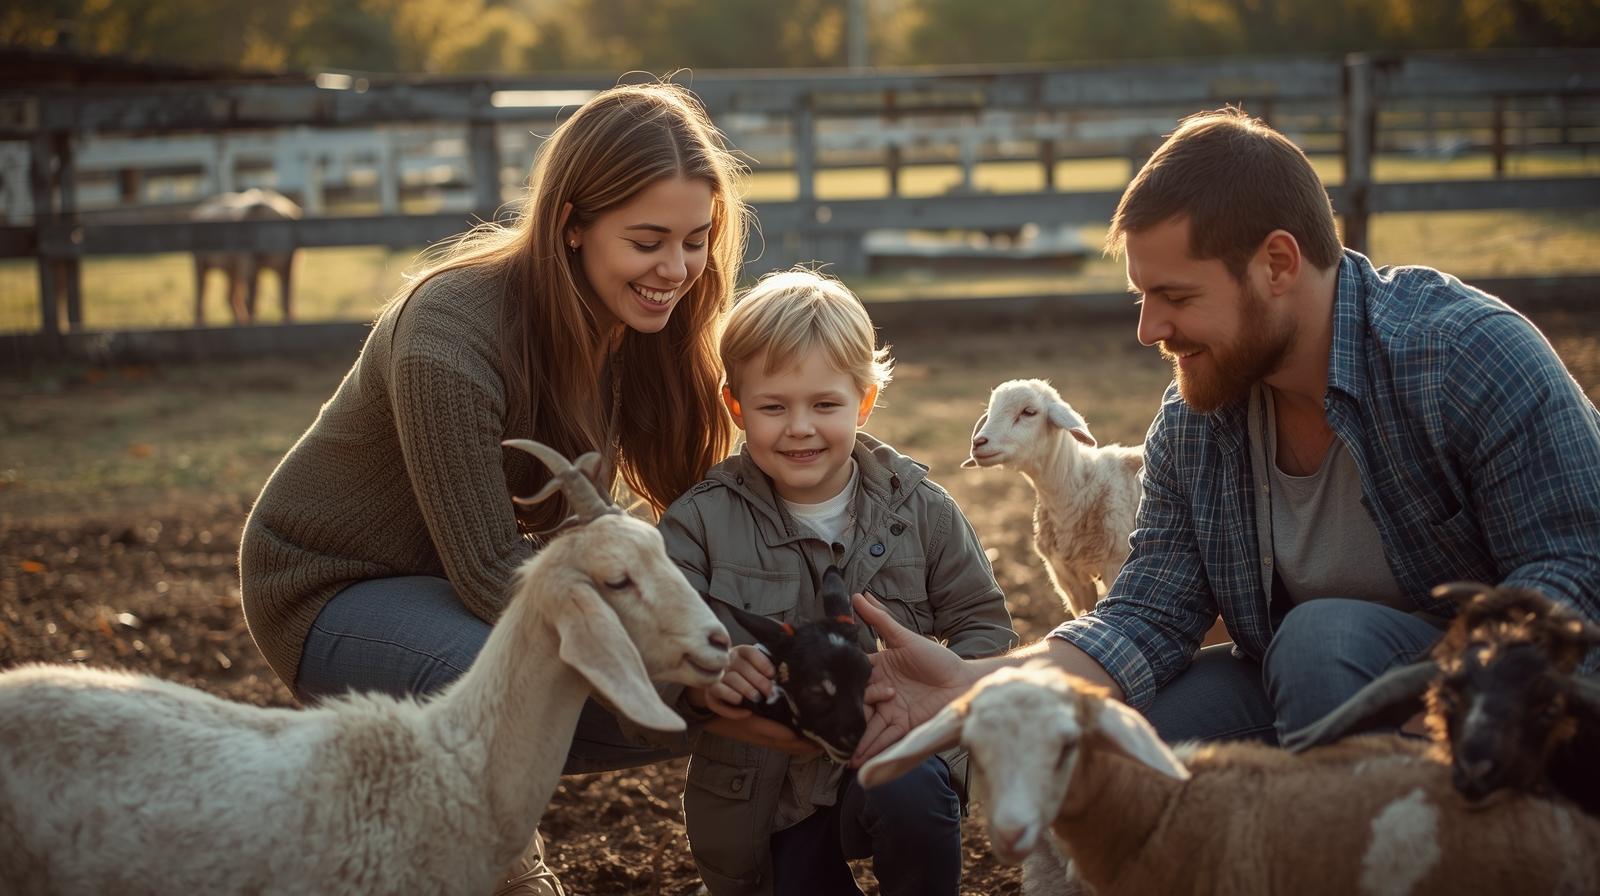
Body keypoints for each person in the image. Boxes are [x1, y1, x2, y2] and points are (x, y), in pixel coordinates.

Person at [851, 106, 1600, 766]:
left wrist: (1473, 691)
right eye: (1143, 297)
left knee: (1319, 640)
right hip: (1298, 685)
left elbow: (1575, 562)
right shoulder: (1196, 423)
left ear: (1277, 264)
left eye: (1175, 297)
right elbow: (1145, 615)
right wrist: (971, 683)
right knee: (1109, 740)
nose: (1150, 331)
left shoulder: (1466, 354)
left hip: (1498, 696)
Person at [237, 82, 750, 895]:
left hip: (459, 584)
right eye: (649, 240)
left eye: (696, 240)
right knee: (568, 671)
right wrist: (698, 661)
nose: (678, 269)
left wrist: (767, 635)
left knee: (727, 686)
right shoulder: (450, 333)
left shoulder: (643, 325)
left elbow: (695, 516)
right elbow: (489, 575)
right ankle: (503, 868)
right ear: (572, 223)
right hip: (331, 590)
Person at [655, 269, 1017, 896]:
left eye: (825, 405)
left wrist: (941, 692)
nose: (800, 428)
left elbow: (984, 625)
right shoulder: (699, 523)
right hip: (766, 793)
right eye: (773, 407)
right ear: (735, 405)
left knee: (913, 798)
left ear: (864, 401)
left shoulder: (921, 510)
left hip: (893, 750)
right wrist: (705, 671)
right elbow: (653, 640)